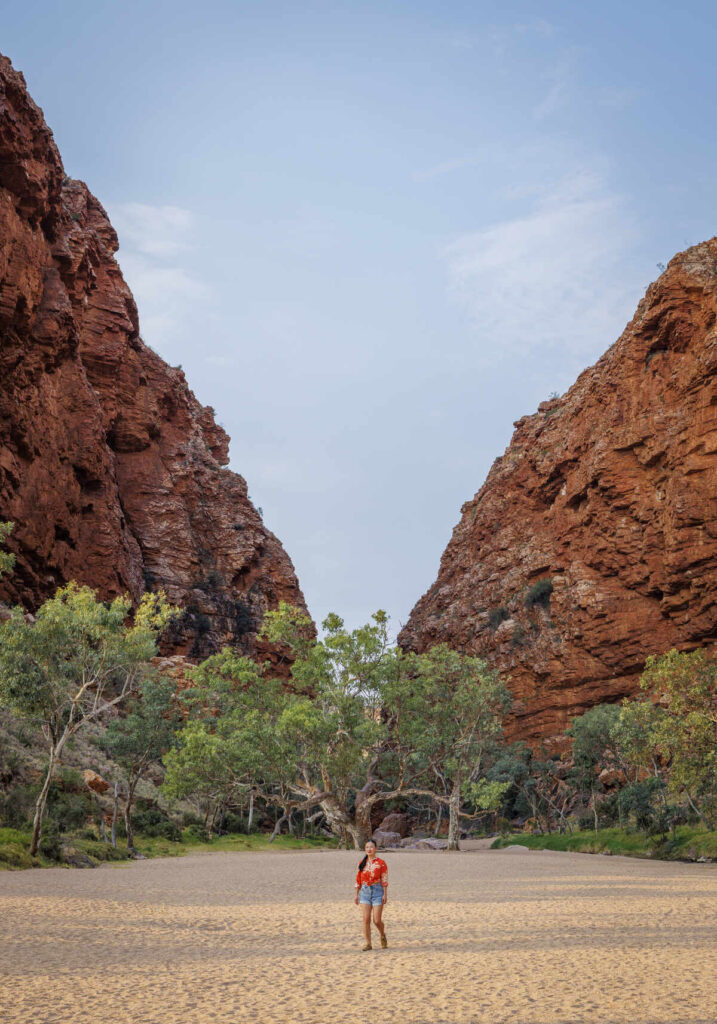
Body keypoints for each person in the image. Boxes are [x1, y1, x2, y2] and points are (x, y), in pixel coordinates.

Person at [354, 838, 388, 950]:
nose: (369, 849)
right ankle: (368, 943)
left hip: (378, 891)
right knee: (366, 918)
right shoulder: (361, 863)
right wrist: (356, 894)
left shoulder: (381, 863)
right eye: (367, 847)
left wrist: (385, 894)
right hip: (364, 892)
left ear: (375, 849)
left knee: (377, 920)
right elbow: (358, 880)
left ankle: (382, 934)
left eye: (371, 847)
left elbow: (384, 879)